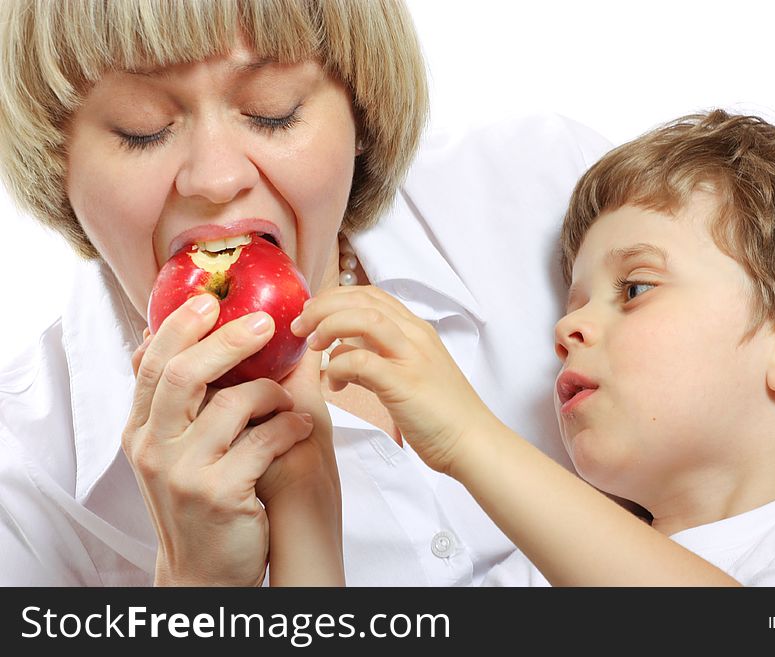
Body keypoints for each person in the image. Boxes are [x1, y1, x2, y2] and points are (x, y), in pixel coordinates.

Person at [0, 0, 611, 586]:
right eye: (142, 129)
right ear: (56, 161)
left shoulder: (570, 203)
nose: (217, 179)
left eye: (273, 111)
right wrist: (199, 590)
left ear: (361, 115)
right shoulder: (23, 487)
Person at [284, 110, 775, 585]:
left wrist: (471, 438)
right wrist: (302, 488)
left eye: (636, 288)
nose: (563, 333)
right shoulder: (537, 571)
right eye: (573, 305)